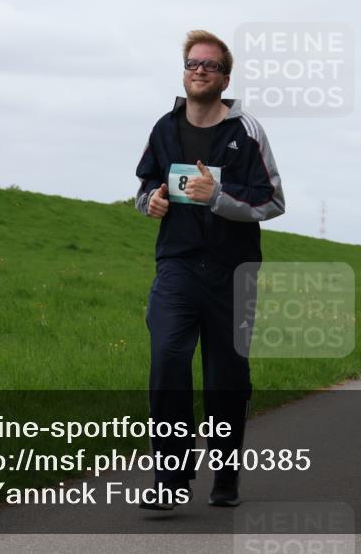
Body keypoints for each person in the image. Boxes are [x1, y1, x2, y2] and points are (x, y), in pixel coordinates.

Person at [135, 30, 285, 510]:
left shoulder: (247, 131)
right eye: (192, 63)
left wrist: (218, 198)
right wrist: (151, 202)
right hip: (177, 266)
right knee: (167, 361)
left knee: (226, 377)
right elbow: (144, 188)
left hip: (232, 272)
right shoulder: (164, 128)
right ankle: (170, 478)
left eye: (210, 65)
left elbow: (273, 201)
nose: (199, 70)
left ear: (225, 79)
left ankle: (226, 473)